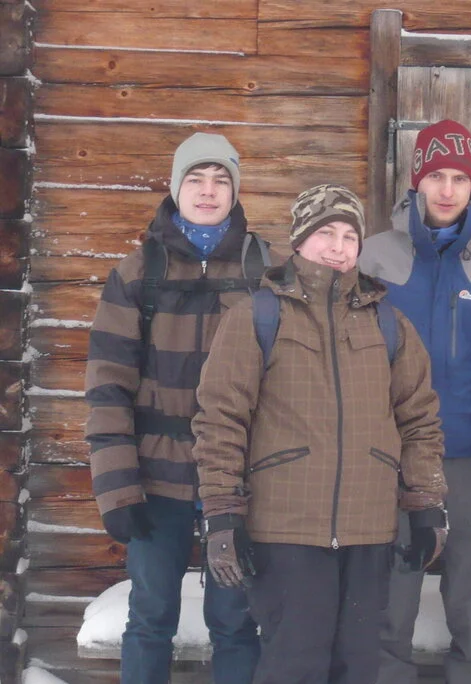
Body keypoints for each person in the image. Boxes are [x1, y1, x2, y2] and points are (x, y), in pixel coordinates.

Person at [191, 184, 448, 684]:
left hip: (369, 530)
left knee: (359, 666)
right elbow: (220, 420)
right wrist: (222, 514)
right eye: (325, 232)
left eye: (349, 235)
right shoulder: (257, 318)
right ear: (299, 241)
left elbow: (419, 421)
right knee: (295, 665)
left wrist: (427, 504)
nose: (338, 246)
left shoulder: (390, 324)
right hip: (285, 531)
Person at [359, 119, 471, 684]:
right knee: (390, 590)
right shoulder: (374, 256)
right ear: (416, 182)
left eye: (459, 178)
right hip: (390, 452)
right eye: (435, 175)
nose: (446, 189)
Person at [84, 132, 264, 684]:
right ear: (175, 187)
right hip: (155, 477)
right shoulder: (139, 273)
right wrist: (116, 487)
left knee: (236, 621)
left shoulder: (265, 272)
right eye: (195, 179)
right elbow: (108, 387)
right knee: (151, 615)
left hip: (234, 477)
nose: (208, 192)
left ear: (234, 192)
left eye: (220, 181)